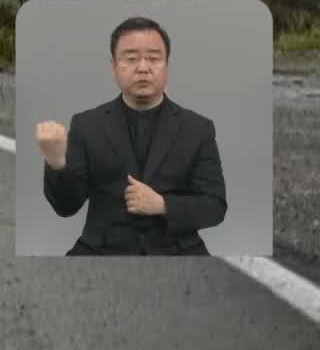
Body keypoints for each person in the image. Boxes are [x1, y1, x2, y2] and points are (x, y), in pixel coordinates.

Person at [36, 16, 227, 255]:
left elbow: (215, 206)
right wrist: (56, 163)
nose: (143, 68)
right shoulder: (87, 125)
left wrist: (164, 205)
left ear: (167, 65)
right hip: (102, 251)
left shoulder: (197, 128)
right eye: (131, 58)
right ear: (114, 66)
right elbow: (66, 207)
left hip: (177, 251)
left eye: (154, 58)